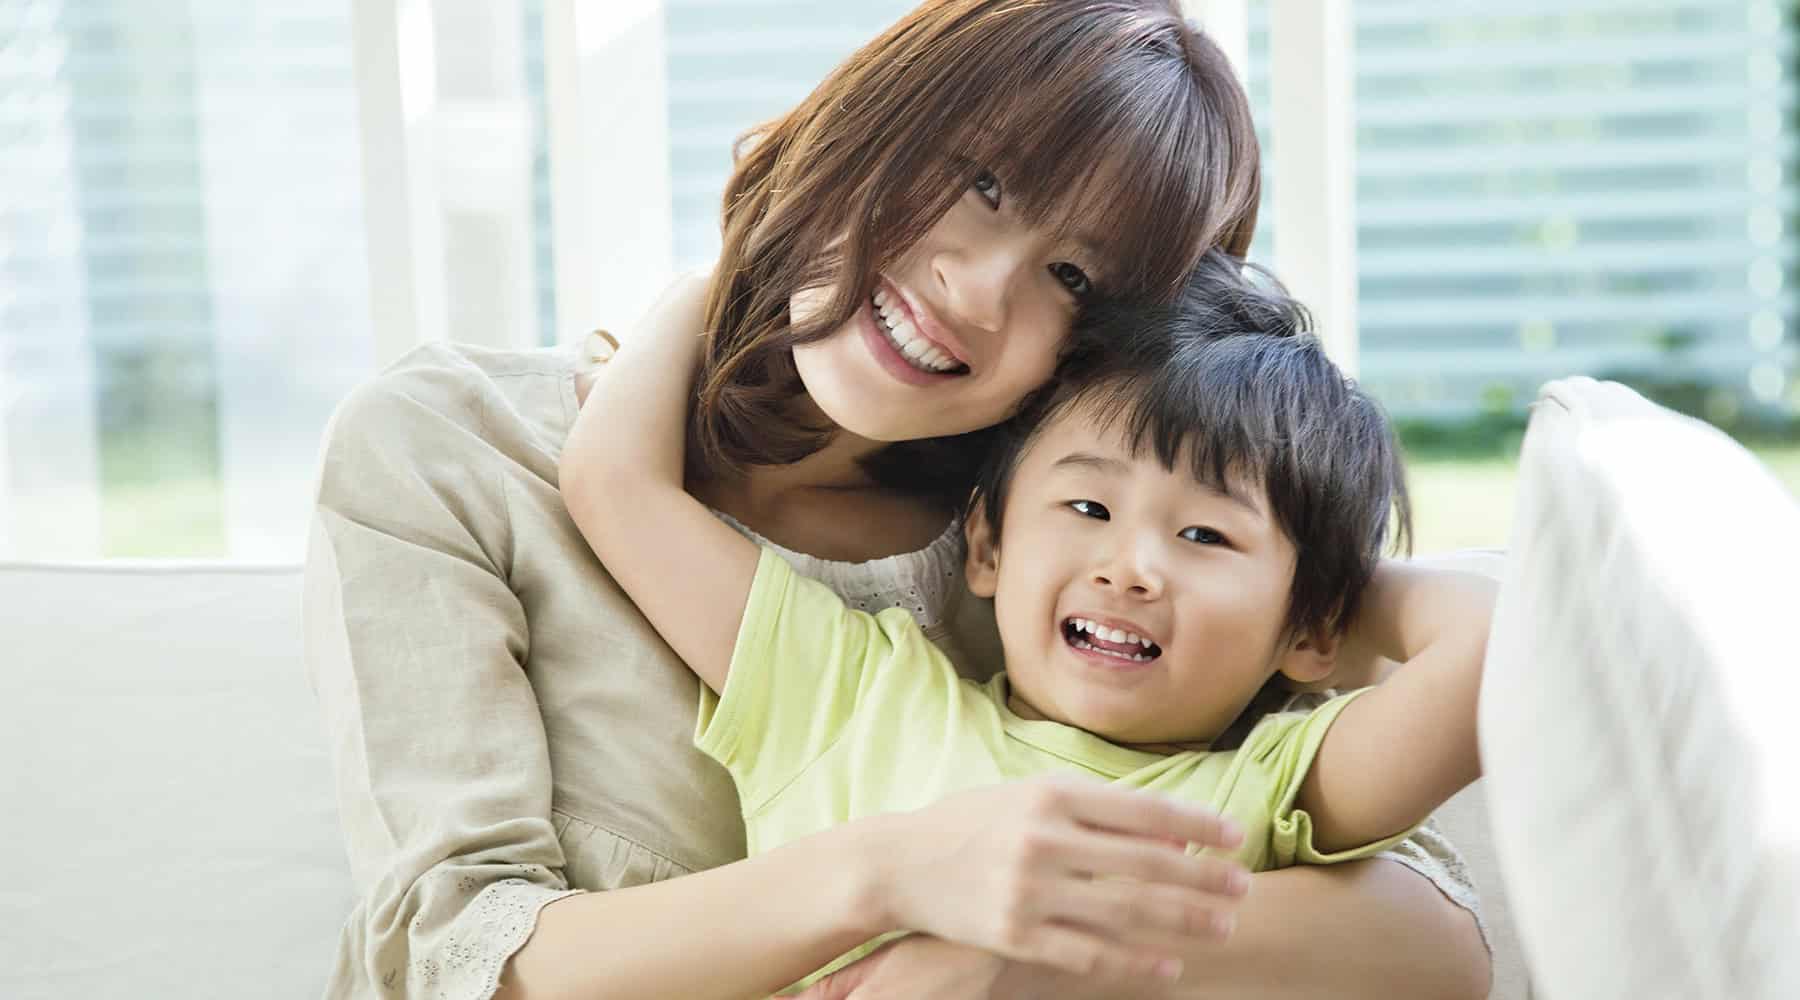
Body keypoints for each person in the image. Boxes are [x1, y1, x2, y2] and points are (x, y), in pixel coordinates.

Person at [304, 2, 1491, 997]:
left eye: (1074, 276)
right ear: (864, 123)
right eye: (977, 181)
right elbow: (458, 959)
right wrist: (893, 875)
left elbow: (1429, 927)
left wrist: (1298, 575)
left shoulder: (1050, 548)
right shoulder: (451, 448)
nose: (976, 291)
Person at [559, 255, 1498, 994]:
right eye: (1089, 509)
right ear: (988, 546)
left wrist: (1322, 594)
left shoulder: (1266, 787)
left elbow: (1496, 647)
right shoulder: (852, 692)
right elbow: (616, 485)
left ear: (1314, 634)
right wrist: (709, 285)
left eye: (1205, 534)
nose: (1129, 568)